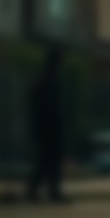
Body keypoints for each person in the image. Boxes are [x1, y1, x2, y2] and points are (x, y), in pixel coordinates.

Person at [26, 46, 68, 203]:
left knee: (44, 160)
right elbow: (55, 108)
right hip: (50, 128)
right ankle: (48, 191)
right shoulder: (51, 81)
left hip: (41, 127)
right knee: (49, 161)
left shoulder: (40, 80)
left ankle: (37, 191)